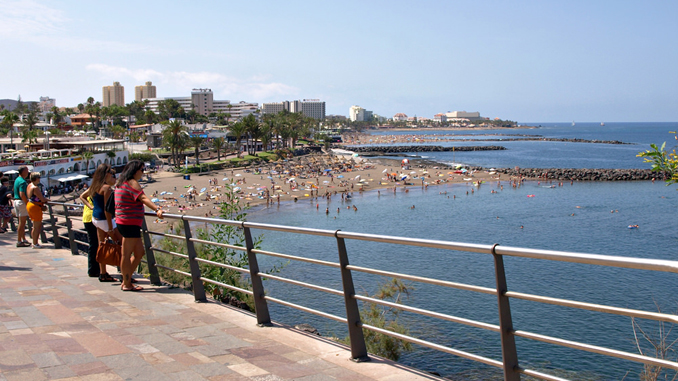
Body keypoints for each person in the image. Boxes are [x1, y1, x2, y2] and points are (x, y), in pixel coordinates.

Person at [115, 160, 163, 291]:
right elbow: (143, 198)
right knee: (126, 254)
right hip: (129, 223)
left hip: (124, 222)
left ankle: (126, 279)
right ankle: (127, 284)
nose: (143, 173)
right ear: (134, 171)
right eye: (142, 170)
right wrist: (157, 209)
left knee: (139, 252)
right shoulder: (132, 183)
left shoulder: (121, 183)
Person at [80, 164, 121, 282]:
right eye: (111, 173)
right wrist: (110, 228)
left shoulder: (95, 186)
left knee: (102, 246)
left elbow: (83, 196)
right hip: (104, 220)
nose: (113, 175)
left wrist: (90, 206)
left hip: (96, 219)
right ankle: (125, 274)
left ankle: (103, 273)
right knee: (121, 245)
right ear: (105, 174)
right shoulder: (107, 188)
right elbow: (107, 210)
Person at [26, 172, 48, 248]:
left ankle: (34, 242)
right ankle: (35, 243)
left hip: (30, 205)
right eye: (39, 177)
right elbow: (42, 199)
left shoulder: (29, 185)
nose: (40, 179)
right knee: (36, 226)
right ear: (37, 178)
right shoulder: (35, 188)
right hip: (35, 207)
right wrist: (46, 200)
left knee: (34, 226)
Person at [81, 193, 100, 278]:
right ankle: (93, 270)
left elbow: (82, 196)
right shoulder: (96, 187)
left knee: (94, 244)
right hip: (92, 217)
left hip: (88, 217)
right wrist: (91, 206)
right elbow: (82, 196)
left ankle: (95, 269)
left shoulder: (94, 187)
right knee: (95, 244)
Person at [13, 166, 30, 247]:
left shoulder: (17, 179)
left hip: (16, 201)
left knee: (21, 222)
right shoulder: (23, 182)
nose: (28, 172)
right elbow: (22, 194)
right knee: (22, 223)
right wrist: (27, 203)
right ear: (23, 172)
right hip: (21, 202)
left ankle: (23, 239)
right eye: (27, 170)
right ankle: (19, 241)